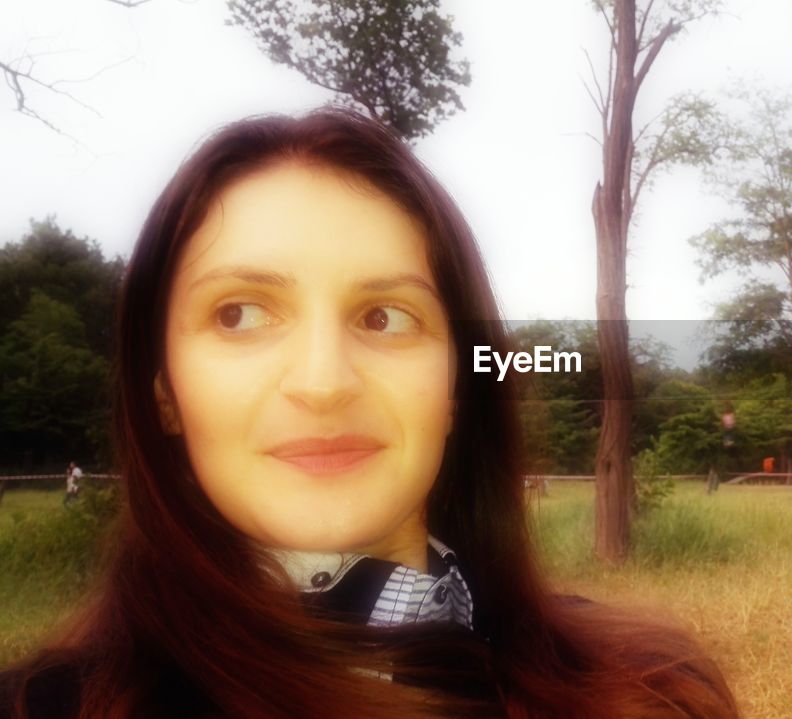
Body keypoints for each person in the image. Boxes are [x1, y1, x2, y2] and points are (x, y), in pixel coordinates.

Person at [1, 108, 737, 718]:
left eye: (385, 316)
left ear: (454, 388)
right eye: (241, 313)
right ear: (163, 391)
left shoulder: (653, 692)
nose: (324, 383)